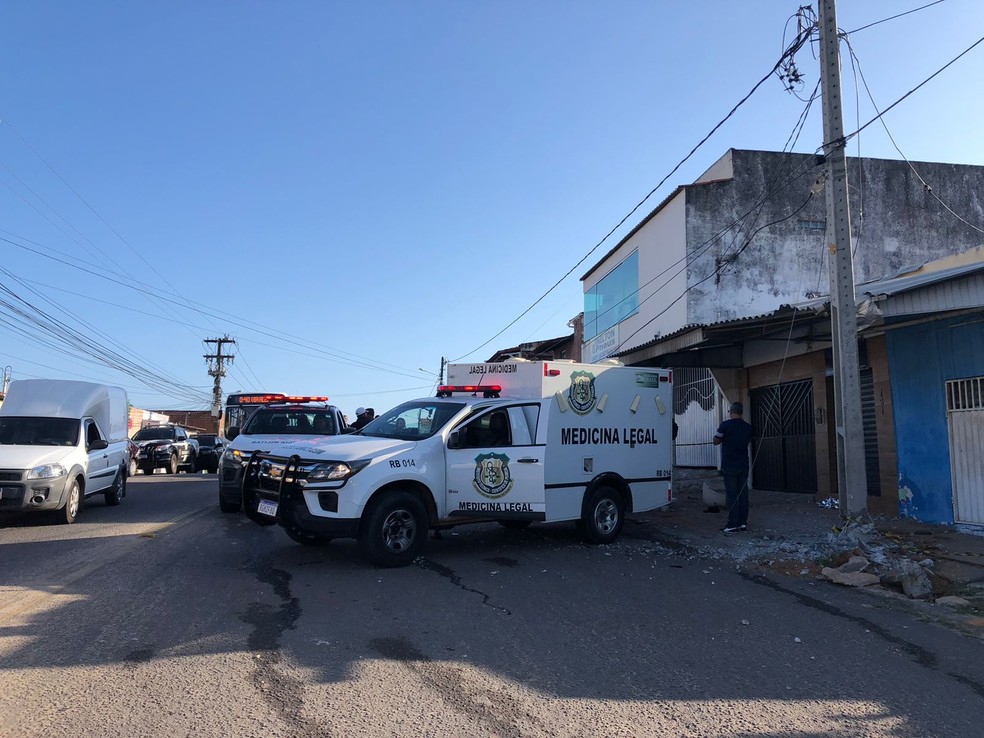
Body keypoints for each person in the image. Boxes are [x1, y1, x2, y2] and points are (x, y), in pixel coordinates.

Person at [713, 401, 753, 533]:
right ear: (741, 412)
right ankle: (743, 523)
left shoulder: (725, 425)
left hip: (730, 464)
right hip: (743, 464)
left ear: (730, 412)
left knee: (731, 494)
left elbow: (716, 441)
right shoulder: (748, 427)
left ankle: (732, 524)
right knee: (743, 494)